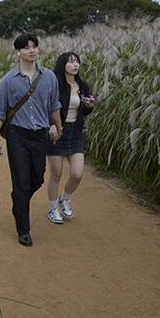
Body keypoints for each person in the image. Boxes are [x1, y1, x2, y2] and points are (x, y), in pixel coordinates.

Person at [0, 34, 63, 247]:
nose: (32, 50)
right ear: (18, 52)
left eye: (34, 46)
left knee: (37, 178)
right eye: (26, 47)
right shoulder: (7, 81)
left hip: (40, 135)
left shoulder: (49, 77)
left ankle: (18, 201)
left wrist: (58, 127)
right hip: (17, 136)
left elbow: (54, 105)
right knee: (21, 181)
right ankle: (23, 229)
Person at [46, 52, 95, 224]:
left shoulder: (83, 86)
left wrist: (89, 106)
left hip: (75, 132)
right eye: (71, 62)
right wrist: (51, 125)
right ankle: (53, 208)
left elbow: (86, 111)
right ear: (63, 65)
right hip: (56, 131)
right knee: (56, 173)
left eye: (77, 62)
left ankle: (64, 198)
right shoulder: (55, 85)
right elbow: (46, 107)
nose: (75, 65)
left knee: (77, 174)